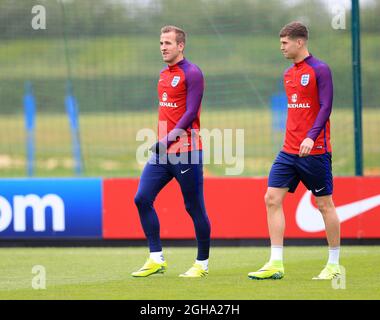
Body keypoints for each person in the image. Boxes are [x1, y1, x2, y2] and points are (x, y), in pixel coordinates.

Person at [248, 21, 341, 280]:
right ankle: (276, 263)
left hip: (316, 150)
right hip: (288, 151)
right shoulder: (288, 73)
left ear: (299, 42)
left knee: (324, 204)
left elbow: (325, 106)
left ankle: (334, 265)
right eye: (281, 43)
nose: (282, 47)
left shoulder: (320, 69)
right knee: (271, 198)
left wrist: (312, 137)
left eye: (285, 43)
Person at [132, 25, 211, 278]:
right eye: (161, 43)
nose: (163, 47)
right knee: (142, 198)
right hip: (162, 153)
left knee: (193, 207)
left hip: (186, 151)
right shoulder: (163, 74)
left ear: (181, 46)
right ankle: (156, 258)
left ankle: (202, 263)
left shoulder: (193, 73)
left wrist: (168, 139)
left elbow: (190, 113)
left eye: (168, 43)